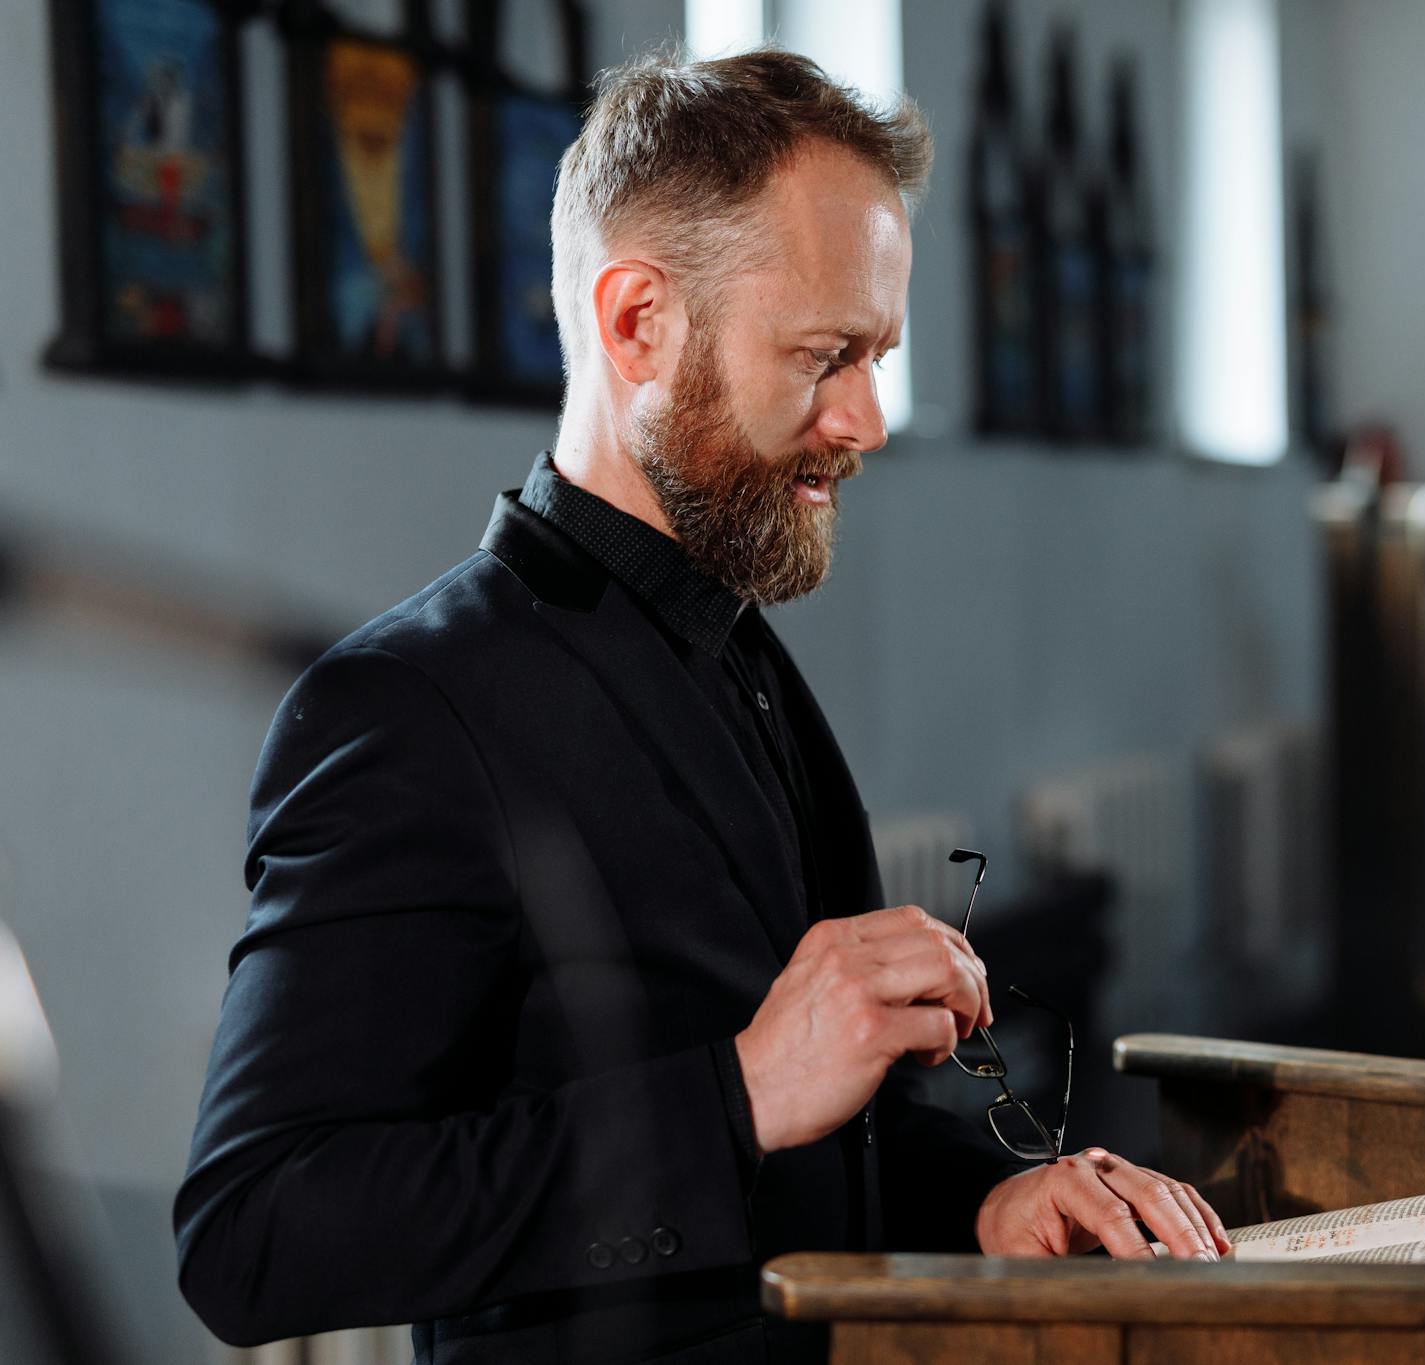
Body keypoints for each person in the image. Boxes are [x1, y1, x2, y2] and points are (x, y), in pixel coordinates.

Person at [173, 46, 1228, 1365]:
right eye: (828, 353)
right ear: (638, 324)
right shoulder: (406, 707)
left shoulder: (737, 647)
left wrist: (987, 1197)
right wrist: (735, 1094)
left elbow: (825, 1126)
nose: (870, 420)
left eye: (879, 355)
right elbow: (254, 1230)